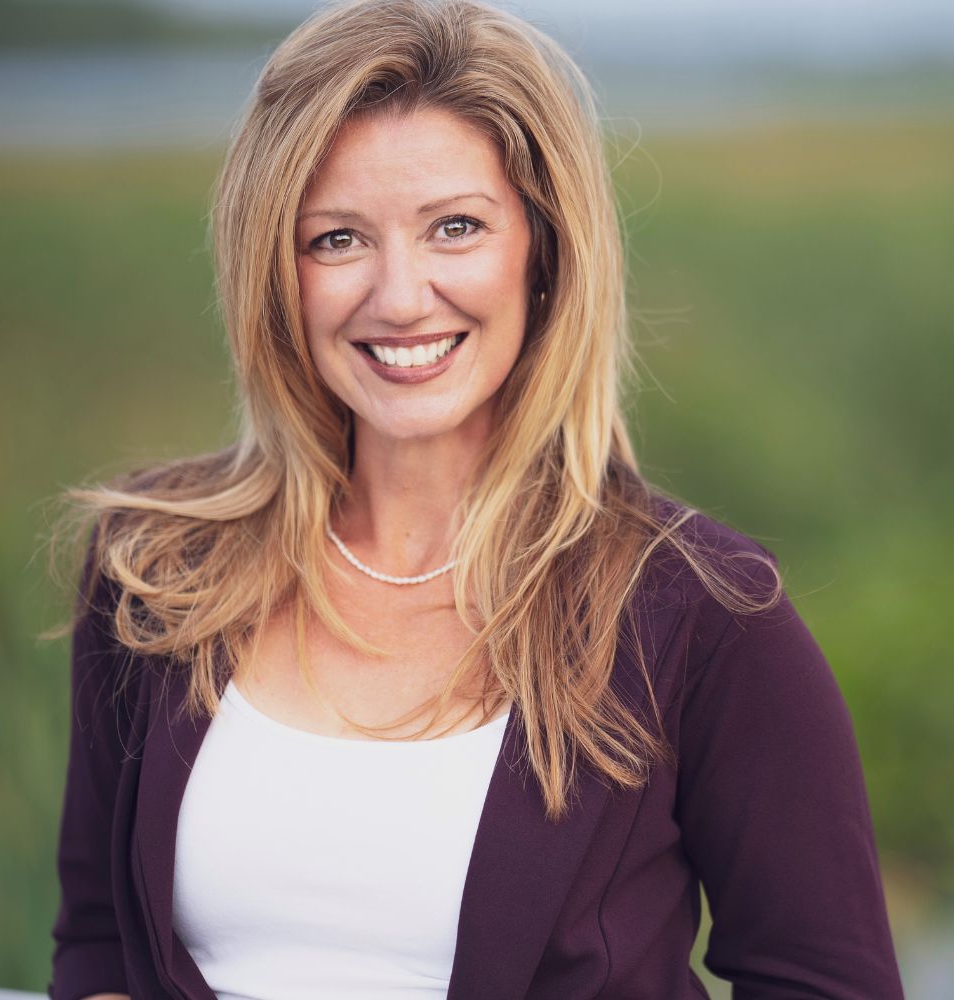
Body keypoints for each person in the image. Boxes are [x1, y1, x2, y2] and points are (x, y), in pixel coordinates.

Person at [47, 0, 905, 997]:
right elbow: (101, 944)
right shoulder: (154, 573)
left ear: (542, 252)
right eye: (336, 239)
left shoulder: (703, 615)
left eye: (455, 227)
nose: (400, 294)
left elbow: (825, 984)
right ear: (272, 270)